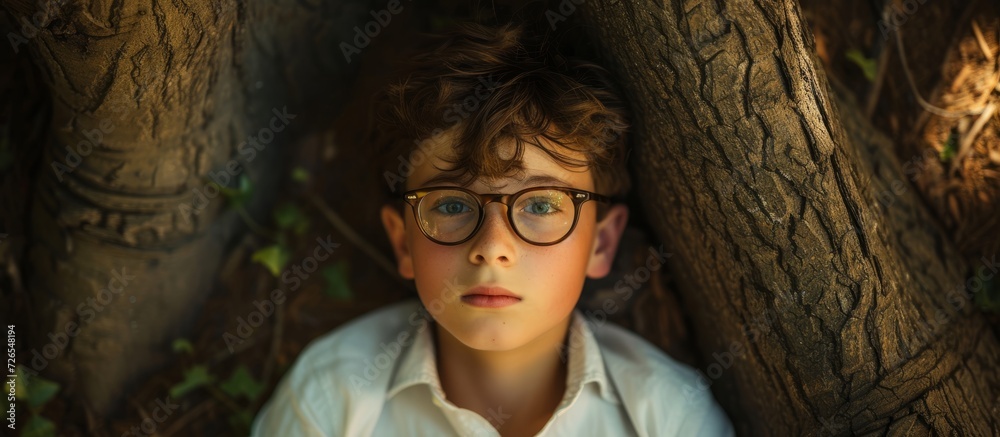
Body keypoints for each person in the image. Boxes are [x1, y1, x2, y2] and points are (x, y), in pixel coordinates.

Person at [251, 19, 734, 437]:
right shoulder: (330, 400)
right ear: (403, 241)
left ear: (601, 242)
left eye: (542, 205)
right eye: (453, 204)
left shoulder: (668, 417)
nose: (493, 247)